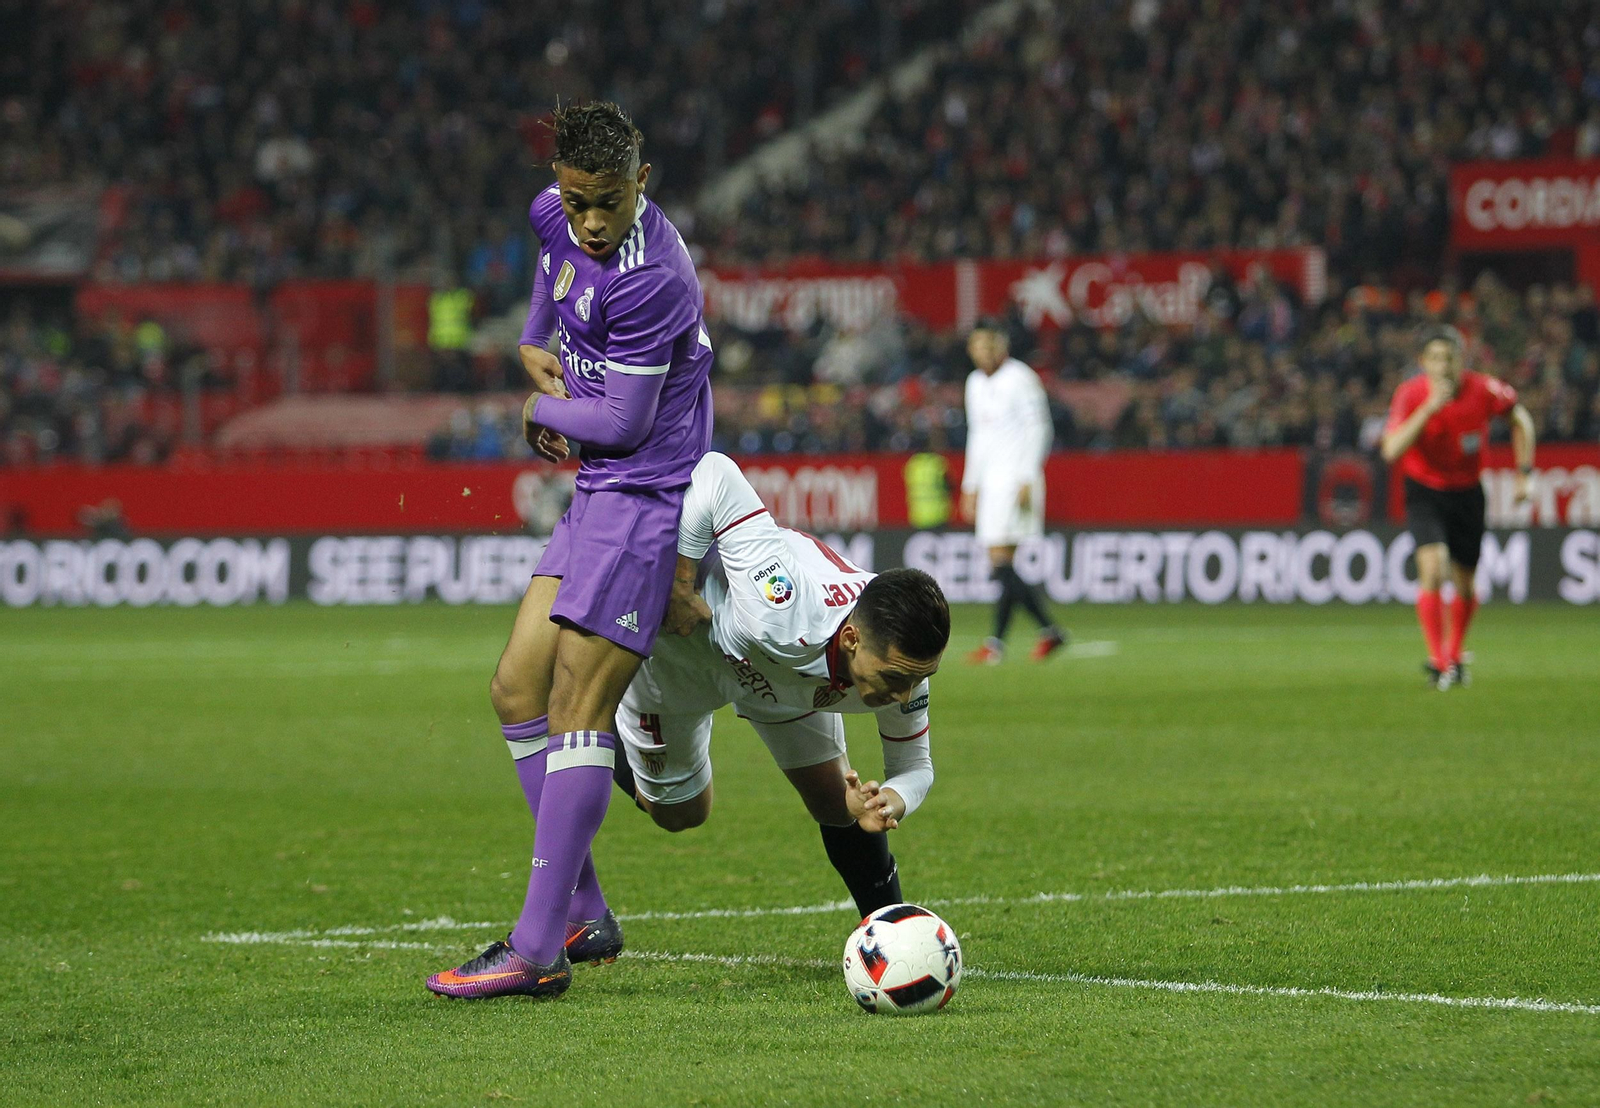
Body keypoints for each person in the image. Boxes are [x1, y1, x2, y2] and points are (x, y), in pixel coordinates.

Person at [427, 102, 714, 1000]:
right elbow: (550, 267)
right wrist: (531, 339)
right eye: (577, 199)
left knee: (575, 707)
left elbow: (623, 422)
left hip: (647, 495)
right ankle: (583, 913)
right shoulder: (553, 214)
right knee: (517, 688)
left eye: (610, 202)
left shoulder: (653, 277)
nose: (590, 221)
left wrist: (536, 408)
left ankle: (537, 948)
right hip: (596, 491)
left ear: (643, 182)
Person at [614, 452, 948, 918]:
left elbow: (915, 766)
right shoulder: (783, 609)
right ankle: (596, 730)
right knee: (680, 814)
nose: (905, 695)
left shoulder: (901, 668)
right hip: (686, 654)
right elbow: (715, 474)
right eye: (896, 678)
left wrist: (886, 802)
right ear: (851, 639)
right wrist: (681, 584)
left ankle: (890, 926)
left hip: (786, 679)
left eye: (919, 678)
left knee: (838, 805)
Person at [1380, 326, 1535, 690]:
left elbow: (1522, 421)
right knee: (1433, 568)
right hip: (1425, 491)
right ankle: (1439, 662)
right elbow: (1391, 450)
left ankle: (1454, 653)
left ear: (1462, 360)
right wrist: (1429, 408)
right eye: (1434, 358)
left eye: (1449, 358)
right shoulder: (1410, 394)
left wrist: (1525, 473)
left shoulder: (1484, 389)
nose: (1442, 366)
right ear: (1422, 362)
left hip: (1467, 492)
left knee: (1465, 582)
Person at [959, 323, 1066, 665]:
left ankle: (1032, 634)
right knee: (1002, 564)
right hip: (990, 482)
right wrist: (970, 485)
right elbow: (977, 436)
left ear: (1000, 346)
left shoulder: (1021, 378)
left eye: (988, 346)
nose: (983, 353)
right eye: (977, 347)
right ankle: (1015, 640)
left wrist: (1027, 476)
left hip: (1015, 477)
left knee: (1001, 561)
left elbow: (1040, 428)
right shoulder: (974, 383)